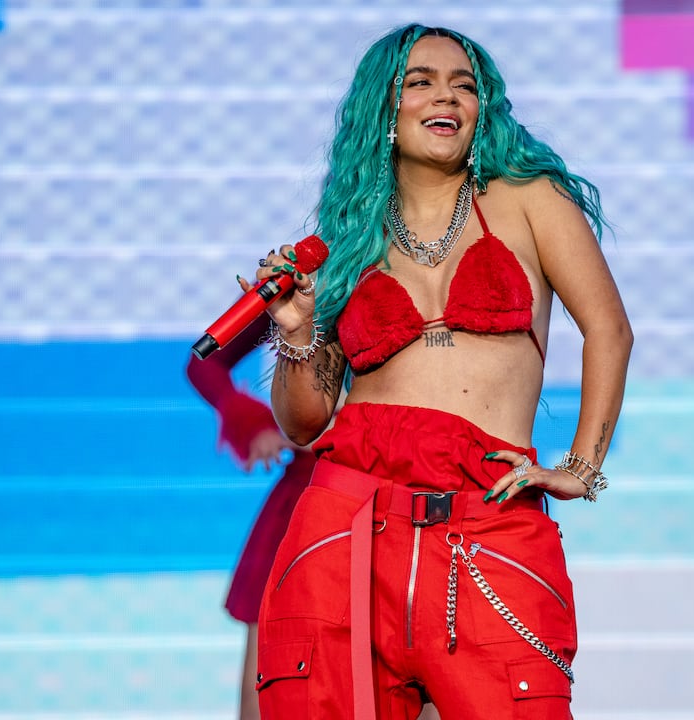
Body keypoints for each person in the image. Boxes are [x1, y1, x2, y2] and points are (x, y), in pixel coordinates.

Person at [242, 24, 632, 720]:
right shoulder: (343, 241)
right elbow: (305, 422)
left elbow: (610, 330)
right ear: (384, 109)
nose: (446, 95)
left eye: (464, 85)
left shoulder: (530, 198)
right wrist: (297, 332)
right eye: (419, 82)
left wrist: (583, 469)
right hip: (346, 528)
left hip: (488, 529)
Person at [186, 314, 315, 720]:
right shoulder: (301, 283)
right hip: (307, 500)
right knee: (268, 700)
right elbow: (204, 360)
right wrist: (250, 420)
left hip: (403, 493)